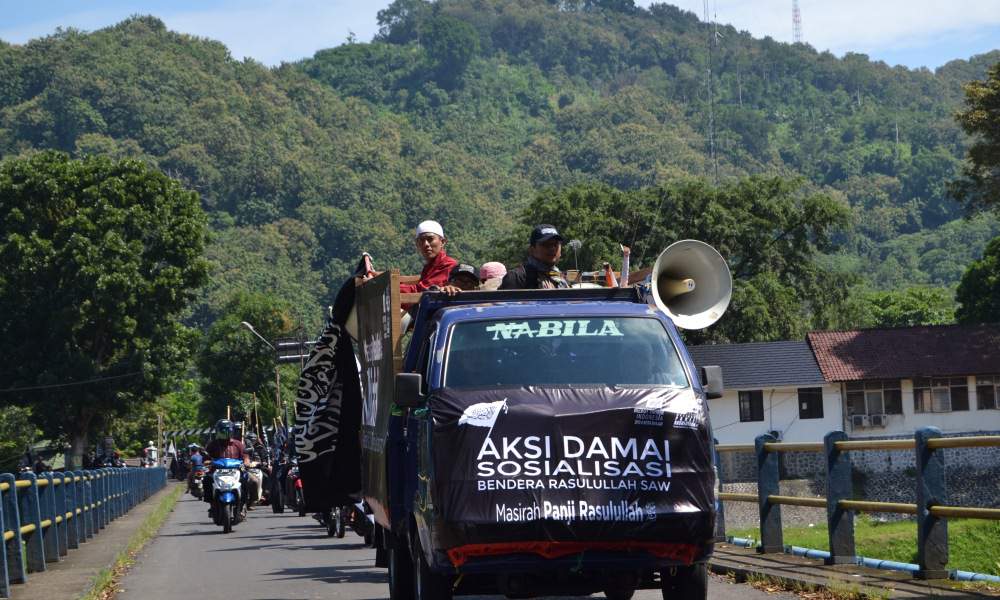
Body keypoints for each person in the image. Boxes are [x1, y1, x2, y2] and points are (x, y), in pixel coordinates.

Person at [499, 224, 570, 290]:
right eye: (546, 244)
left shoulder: (559, 276)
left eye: (555, 244)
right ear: (532, 250)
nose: (552, 248)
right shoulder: (517, 278)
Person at [399, 220, 458, 294]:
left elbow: (422, 289)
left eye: (430, 239)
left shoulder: (448, 264)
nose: (426, 244)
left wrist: (392, 287)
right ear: (417, 244)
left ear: (442, 242)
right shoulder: (428, 267)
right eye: (422, 240)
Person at [203, 420, 249, 509]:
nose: (225, 434)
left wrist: (247, 462)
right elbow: (206, 458)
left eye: (227, 431)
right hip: (217, 471)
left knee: (247, 479)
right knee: (207, 480)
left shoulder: (238, 444)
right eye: (222, 431)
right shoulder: (213, 444)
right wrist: (207, 462)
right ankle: (212, 503)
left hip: (236, 471)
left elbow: (245, 456)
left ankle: (244, 503)